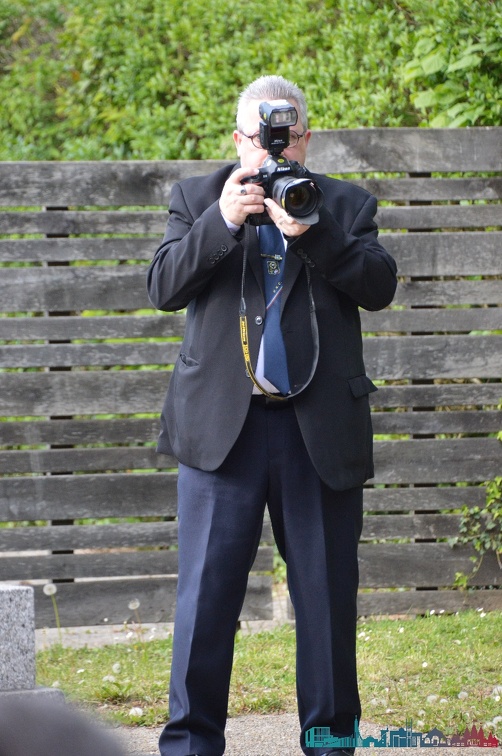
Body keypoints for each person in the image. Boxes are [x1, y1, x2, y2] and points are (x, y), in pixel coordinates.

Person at [147, 75, 397, 756]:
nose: (273, 152)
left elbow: (379, 287)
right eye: (260, 140)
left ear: (306, 139)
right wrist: (223, 221)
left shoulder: (343, 205)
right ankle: (190, 746)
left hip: (317, 431)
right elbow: (163, 286)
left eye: (285, 139)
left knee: (326, 603)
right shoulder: (197, 199)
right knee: (205, 603)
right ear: (238, 140)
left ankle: (331, 744)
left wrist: (316, 234)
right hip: (221, 434)